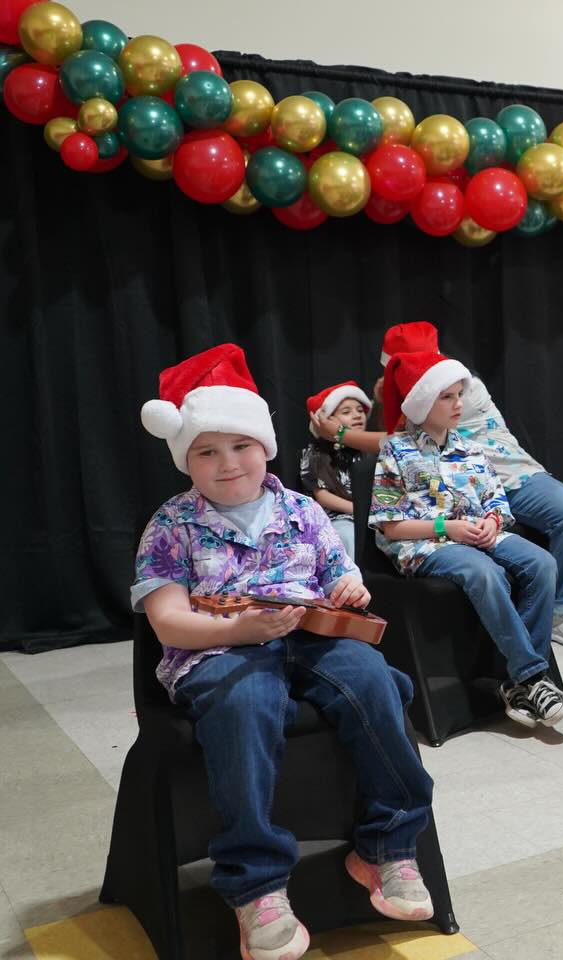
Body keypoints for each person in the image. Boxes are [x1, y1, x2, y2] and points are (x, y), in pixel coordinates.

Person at [133, 344, 435, 960]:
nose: (227, 463)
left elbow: (338, 579)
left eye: (240, 445)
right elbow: (167, 621)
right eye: (206, 452)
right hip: (221, 647)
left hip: (312, 636)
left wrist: (351, 587)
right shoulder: (171, 525)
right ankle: (257, 886)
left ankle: (386, 847)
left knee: (376, 683)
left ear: (264, 446)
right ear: (184, 460)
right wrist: (236, 633)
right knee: (243, 707)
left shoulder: (301, 510)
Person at [312, 321, 563, 647]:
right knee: (488, 573)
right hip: (452, 510)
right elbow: (402, 447)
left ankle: (562, 616)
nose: (456, 402)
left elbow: (394, 438)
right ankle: (524, 667)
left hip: (508, 478)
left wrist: (341, 433)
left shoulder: (451, 386)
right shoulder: (413, 416)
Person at [369, 350, 563, 729]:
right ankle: (530, 676)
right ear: (423, 402)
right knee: (484, 572)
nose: (459, 404)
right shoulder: (396, 450)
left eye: (460, 395)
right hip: (427, 544)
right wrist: (448, 528)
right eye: (447, 397)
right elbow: (391, 527)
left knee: (542, 563)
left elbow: (496, 499)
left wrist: (493, 521)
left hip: (478, 534)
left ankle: (518, 684)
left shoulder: (472, 448)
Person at [299, 380, 371, 560]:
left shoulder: (370, 451)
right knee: (347, 534)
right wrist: (360, 511)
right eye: (346, 412)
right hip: (341, 518)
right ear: (326, 420)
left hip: (374, 517)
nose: (357, 415)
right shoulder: (316, 453)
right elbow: (323, 496)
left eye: (360, 410)